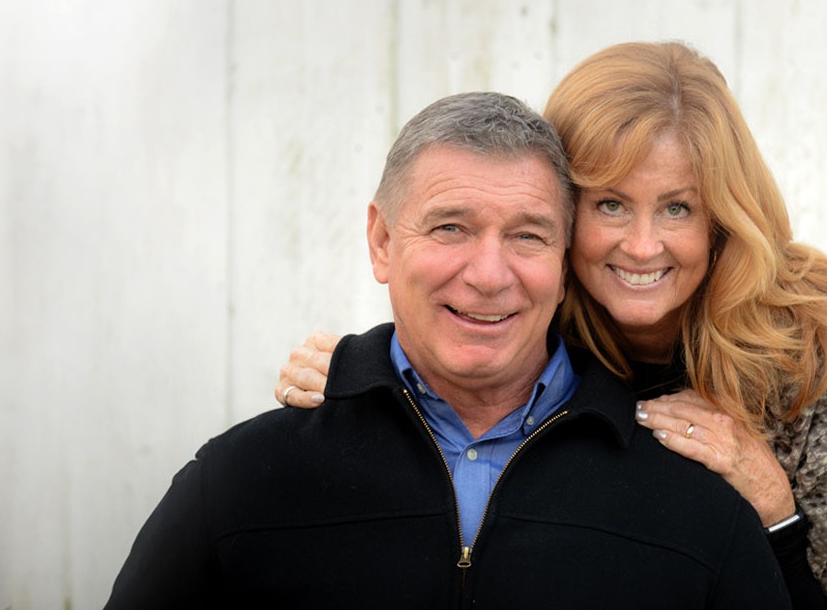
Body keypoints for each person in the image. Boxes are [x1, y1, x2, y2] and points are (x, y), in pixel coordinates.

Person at [107, 91, 790, 609]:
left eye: (527, 235)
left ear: (565, 261)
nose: (489, 275)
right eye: (450, 227)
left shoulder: (697, 501)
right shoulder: (239, 481)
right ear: (381, 242)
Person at [272, 42, 827, 608]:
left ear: (722, 218)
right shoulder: (530, 310)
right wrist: (368, 379)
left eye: (677, 208)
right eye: (611, 204)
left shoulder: (814, 361)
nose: (642, 247)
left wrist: (774, 506)